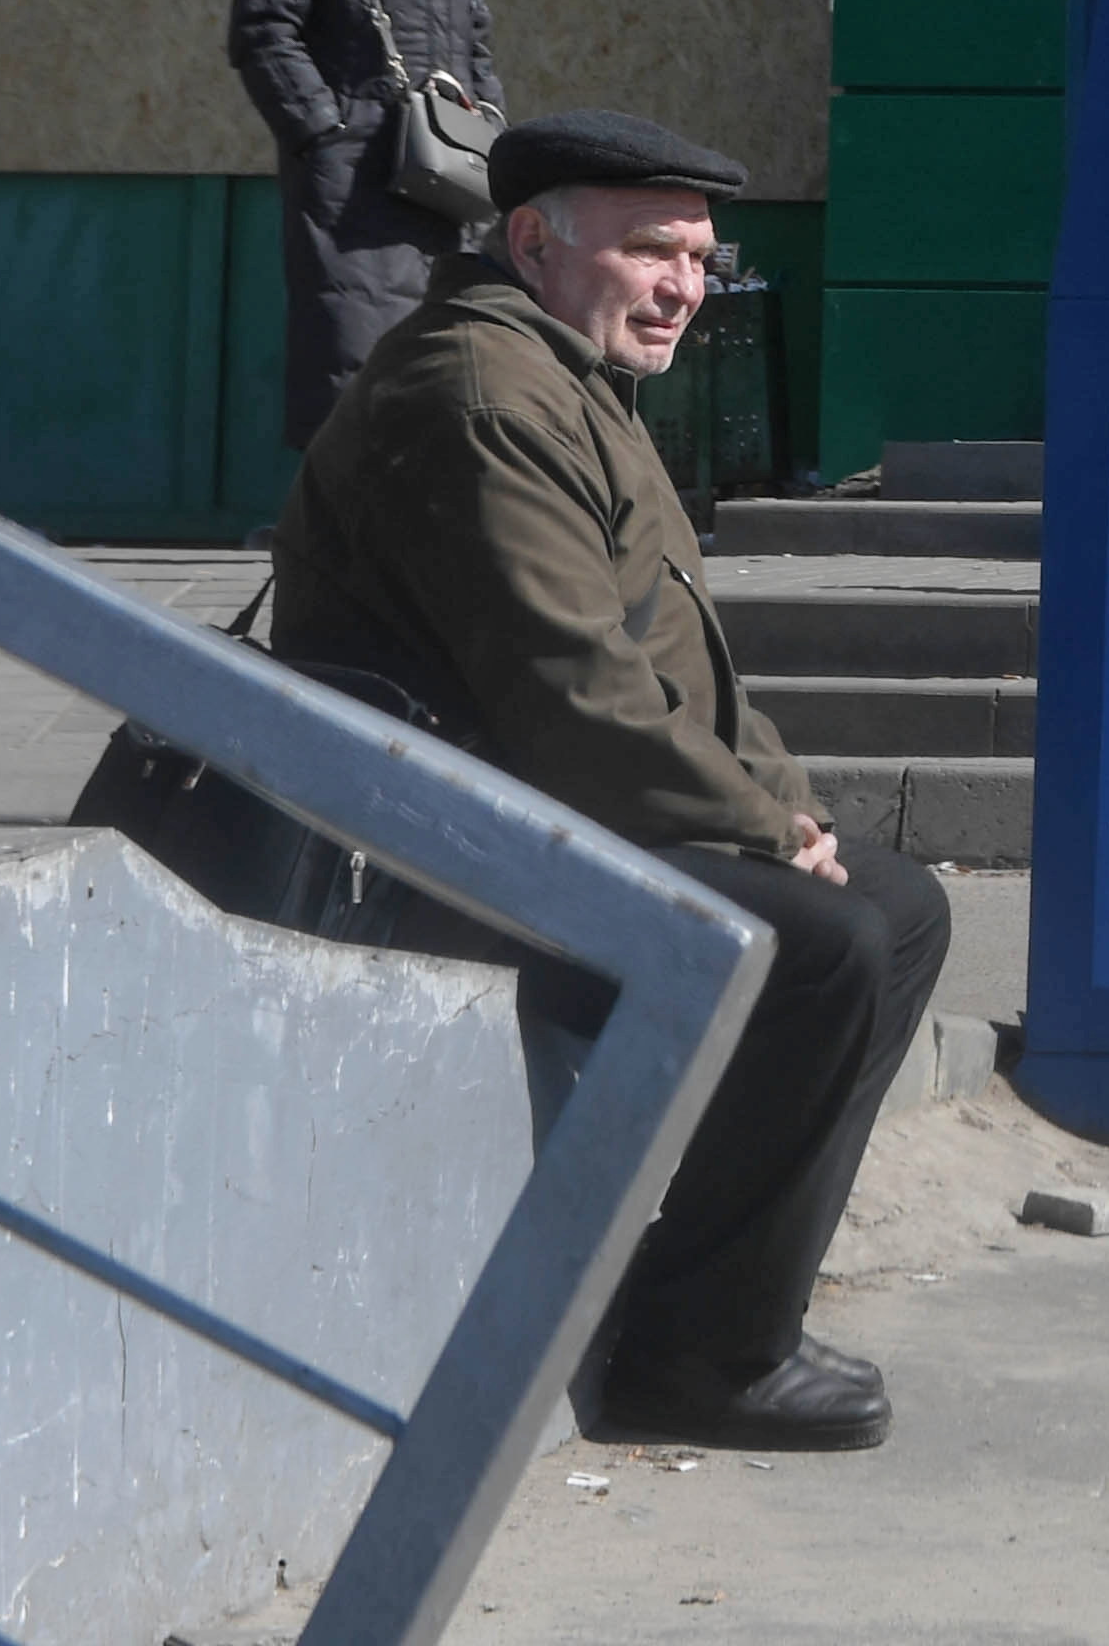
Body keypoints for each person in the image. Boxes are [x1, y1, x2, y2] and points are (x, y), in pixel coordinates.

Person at [273, 111, 943, 1452]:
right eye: (651, 250)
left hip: (536, 814)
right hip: (439, 855)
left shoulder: (567, 378)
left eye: (700, 257)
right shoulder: (480, 392)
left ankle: (709, 1295)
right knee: (817, 949)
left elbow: (679, 660)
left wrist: (788, 813)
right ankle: (701, 1359)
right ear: (533, 241)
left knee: (898, 909)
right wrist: (759, 836)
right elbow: (571, 689)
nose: (686, 287)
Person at [226, 0, 502, 450]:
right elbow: (262, 30)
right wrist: (322, 131)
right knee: (349, 350)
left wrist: (491, 125)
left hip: (446, 178)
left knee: (441, 354)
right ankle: (339, 527)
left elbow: (475, 40)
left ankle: (418, 522)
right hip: (350, 178)